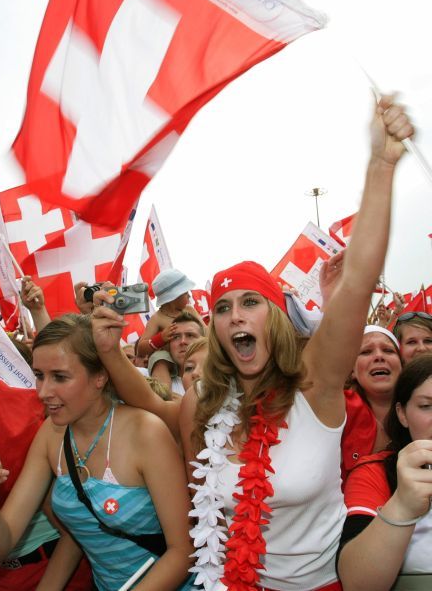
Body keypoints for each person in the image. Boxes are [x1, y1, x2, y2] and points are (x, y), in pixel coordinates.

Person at [174, 95, 414, 591]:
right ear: (216, 332)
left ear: (278, 320)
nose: (235, 314)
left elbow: (360, 275)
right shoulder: (201, 403)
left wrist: (382, 163)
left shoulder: (317, 383)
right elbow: (202, 516)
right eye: (222, 308)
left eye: (250, 303)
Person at [0, 313, 194, 591]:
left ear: (100, 377)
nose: (43, 392)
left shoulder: (146, 432)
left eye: (60, 377)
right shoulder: (50, 435)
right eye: (39, 376)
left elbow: (182, 552)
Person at [337, 353, 432, 590]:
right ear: (402, 414)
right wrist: (402, 506)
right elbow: (357, 583)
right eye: (427, 406)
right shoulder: (375, 472)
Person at [342, 325, 402, 482]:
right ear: (352, 371)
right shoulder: (337, 412)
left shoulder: (424, 412)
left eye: (388, 351)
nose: (379, 357)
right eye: (366, 352)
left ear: (402, 365)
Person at [136, 269, 196, 358]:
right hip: (172, 367)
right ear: (174, 297)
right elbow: (140, 350)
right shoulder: (157, 319)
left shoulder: (190, 310)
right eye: (186, 292)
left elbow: (206, 333)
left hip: (195, 358)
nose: (189, 295)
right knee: (159, 358)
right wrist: (160, 338)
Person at [148, 312, 204, 396]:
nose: (182, 341)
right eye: (176, 337)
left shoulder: (223, 380)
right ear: (169, 344)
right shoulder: (148, 377)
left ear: (203, 341)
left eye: (190, 335)